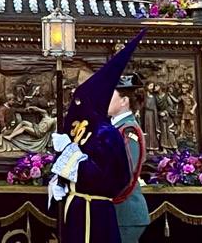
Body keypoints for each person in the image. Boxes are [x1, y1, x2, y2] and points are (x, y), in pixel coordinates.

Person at [49, 31, 145, 243]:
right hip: (90, 207)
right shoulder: (102, 128)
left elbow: (124, 176)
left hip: (114, 210)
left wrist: (73, 158)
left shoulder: (119, 131)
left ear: (124, 101)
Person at [109, 74, 149, 243]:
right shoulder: (115, 127)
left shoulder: (128, 130)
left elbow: (126, 173)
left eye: (111, 95)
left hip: (125, 213)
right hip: (118, 212)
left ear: (124, 101)